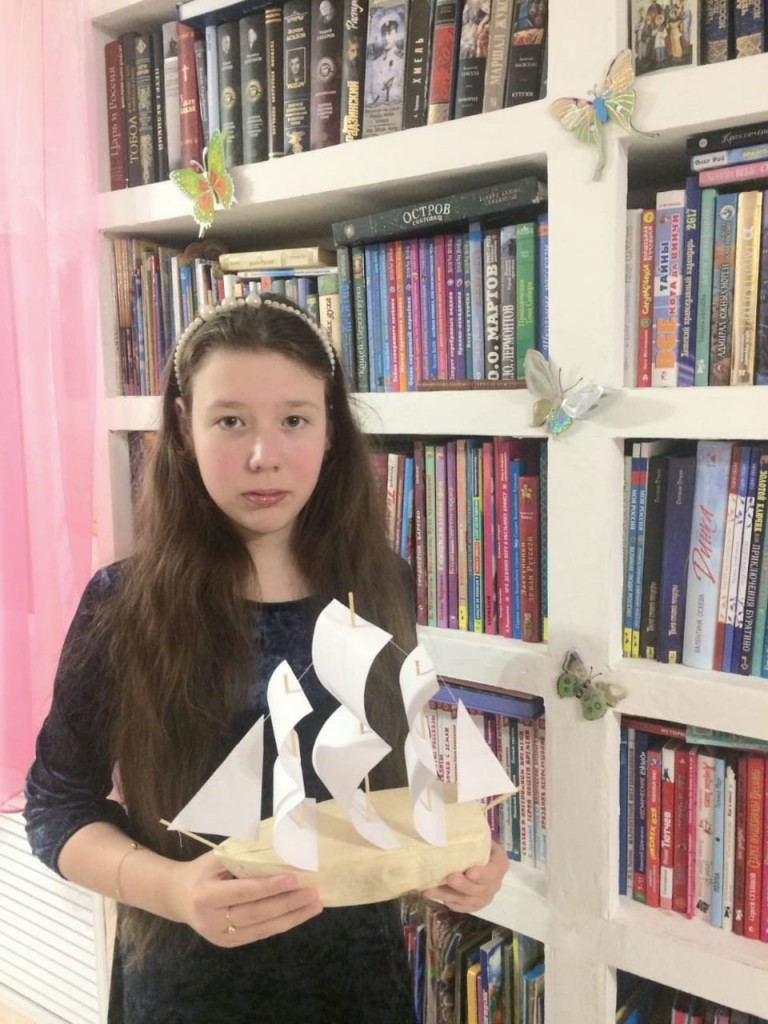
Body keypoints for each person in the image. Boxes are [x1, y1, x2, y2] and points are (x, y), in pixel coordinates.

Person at [24, 292, 508, 1024]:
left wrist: (459, 854)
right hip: (190, 987)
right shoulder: (123, 604)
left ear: (331, 430)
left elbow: (381, 774)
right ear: (183, 427)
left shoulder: (382, 583)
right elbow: (57, 807)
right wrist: (173, 890)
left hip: (358, 982)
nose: (264, 455)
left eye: (294, 420)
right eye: (230, 421)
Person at [365, 17, 405, 105]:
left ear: (396, 35)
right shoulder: (376, 62)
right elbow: (369, 91)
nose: (386, 38)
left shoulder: (402, 60)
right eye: (383, 34)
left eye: (390, 34)